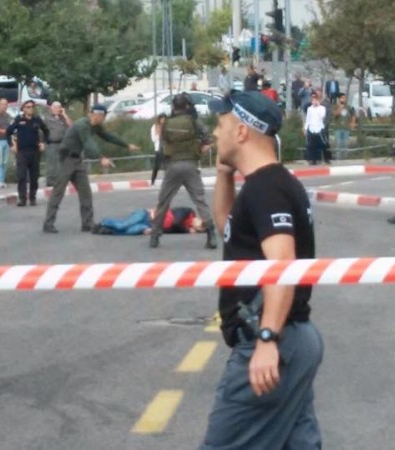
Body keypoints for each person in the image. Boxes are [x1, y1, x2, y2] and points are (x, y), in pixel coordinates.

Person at [201, 90, 323, 449]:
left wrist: (267, 338)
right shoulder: (267, 184)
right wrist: (224, 174)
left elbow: (281, 263)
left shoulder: (267, 189)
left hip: (273, 340)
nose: (215, 132)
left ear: (241, 132)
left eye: (221, 124)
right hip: (295, 340)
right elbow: (229, 229)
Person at [42, 104, 140, 233]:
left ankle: (87, 223)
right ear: (97, 115)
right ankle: (48, 224)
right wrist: (100, 157)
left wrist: (126, 145)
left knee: (85, 193)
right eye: (104, 116)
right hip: (66, 160)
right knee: (58, 192)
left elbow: (108, 136)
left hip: (78, 160)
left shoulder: (96, 126)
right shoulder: (82, 125)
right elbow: (88, 143)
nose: (105, 119)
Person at [149, 94, 218, 249]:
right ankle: (211, 234)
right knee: (200, 200)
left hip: (172, 167)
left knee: (163, 202)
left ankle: (155, 236)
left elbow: (162, 146)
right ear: (187, 106)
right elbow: (208, 139)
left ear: (173, 107)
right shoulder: (194, 122)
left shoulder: (166, 124)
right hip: (191, 166)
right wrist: (200, 148)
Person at [6, 100, 50, 206]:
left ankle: (32, 197)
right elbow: (8, 132)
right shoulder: (19, 119)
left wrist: (43, 143)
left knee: (34, 176)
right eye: (28, 107)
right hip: (22, 152)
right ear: (24, 108)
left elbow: (46, 131)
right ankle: (22, 198)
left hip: (34, 151)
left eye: (32, 107)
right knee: (21, 175)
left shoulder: (37, 120)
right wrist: (12, 145)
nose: (31, 109)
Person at [92, 206, 205, 236]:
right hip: (146, 215)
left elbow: (167, 229)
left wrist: (152, 230)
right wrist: (186, 230)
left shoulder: (182, 227)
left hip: (149, 225)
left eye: (200, 229)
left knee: (129, 232)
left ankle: (106, 230)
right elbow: (174, 223)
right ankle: (104, 222)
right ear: (198, 218)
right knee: (123, 225)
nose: (198, 226)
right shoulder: (188, 212)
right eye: (200, 223)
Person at [44, 101, 72, 187]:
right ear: (52, 108)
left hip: (62, 143)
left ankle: (60, 180)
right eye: (55, 107)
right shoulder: (47, 118)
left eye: (59, 107)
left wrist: (65, 114)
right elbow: (42, 130)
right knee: (52, 162)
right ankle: (50, 181)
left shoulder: (63, 118)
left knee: (62, 162)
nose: (57, 109)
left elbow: (71, 126)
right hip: (52, 143)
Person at [303, 93, 328, 165]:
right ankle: (311, 159)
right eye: (313, 100)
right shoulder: (309, 109)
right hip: (311, 128)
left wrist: (318, 106)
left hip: (319, 128)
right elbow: (308, 119)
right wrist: (305, 128)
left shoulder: (322, 108)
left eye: (315, 100)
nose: (314, 101)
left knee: (319, 145)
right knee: (310, 145)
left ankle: (318, 159)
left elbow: (322, 116)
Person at [150, 114, 166, 185]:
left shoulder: (167, 127)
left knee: (167, 166)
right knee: (157, 166)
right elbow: (153, 139)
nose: (163, 121)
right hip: (158, 148)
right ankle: (153, 180)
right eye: (162, 119)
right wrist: (159, 134)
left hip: (166, 148)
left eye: (164, 119)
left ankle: (167, 181)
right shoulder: (155, 127)